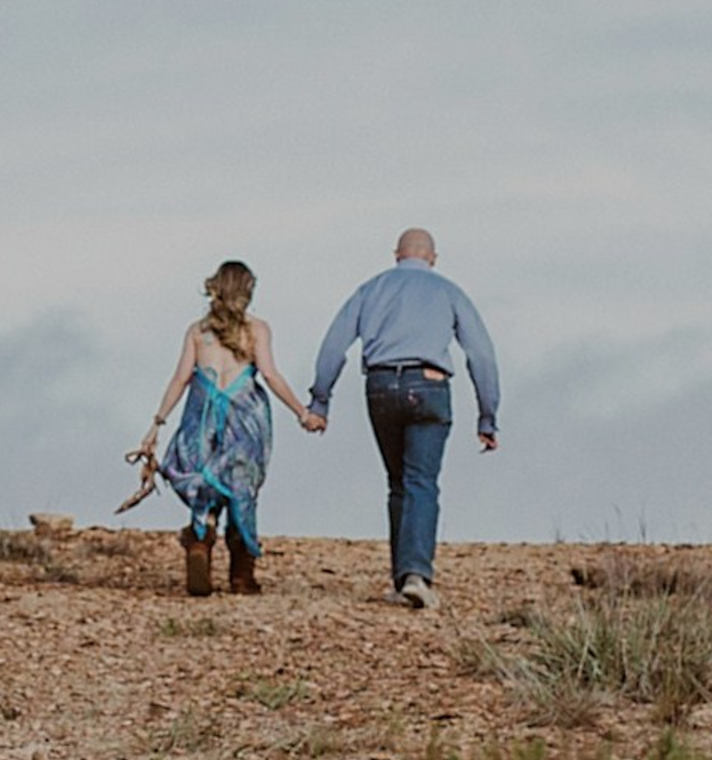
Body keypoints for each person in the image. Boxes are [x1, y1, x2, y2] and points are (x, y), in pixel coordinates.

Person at [306, 229, 500, 610]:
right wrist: (487, 416)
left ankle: (401, 579)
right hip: (428, 385)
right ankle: (416, 575)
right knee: (421, 481)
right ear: (433, 257)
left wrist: (320, 401)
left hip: (380, 387)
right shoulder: (449, 291)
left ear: (396, 254)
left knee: (398, 482)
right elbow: (481, 355)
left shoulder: (370, 289)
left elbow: (334, 344)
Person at [137, 260, 319, 597]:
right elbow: (270, 374)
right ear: (247, 291)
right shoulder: (258, 330)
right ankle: (241, 575)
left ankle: (202, 536)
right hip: (244, 416)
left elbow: (180, 378)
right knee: (241, 486)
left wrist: (157, 424)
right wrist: (301, 412)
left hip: (201, 413)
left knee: (204, 479)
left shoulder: (197, 331)